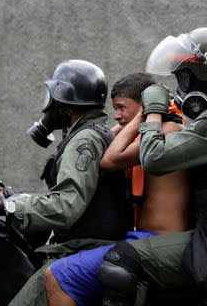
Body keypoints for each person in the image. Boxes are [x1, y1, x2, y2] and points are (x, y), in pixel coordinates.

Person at [96, 27, 207, 306]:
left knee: (120, 261)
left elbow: (154, 158)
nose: (181, 87)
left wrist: (153, 112)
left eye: (184, 77)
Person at [0, 59, 135, 306]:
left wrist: (2, 207)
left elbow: (66, 206)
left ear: (64, 103)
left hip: (81, 250)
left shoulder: (84, 141)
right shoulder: (93, 134)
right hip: (84, 247)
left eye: (51, 97)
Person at [42, 72, 190, 306]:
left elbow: (109, 160)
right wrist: (140, 115)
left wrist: (146, 111)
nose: (117, 116)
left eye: (121, 108)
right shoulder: (148, 133)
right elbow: (107, 138)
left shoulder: (167, 131)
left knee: (59, 275)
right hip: (141, 238)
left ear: (144, 105)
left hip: (159, 241)